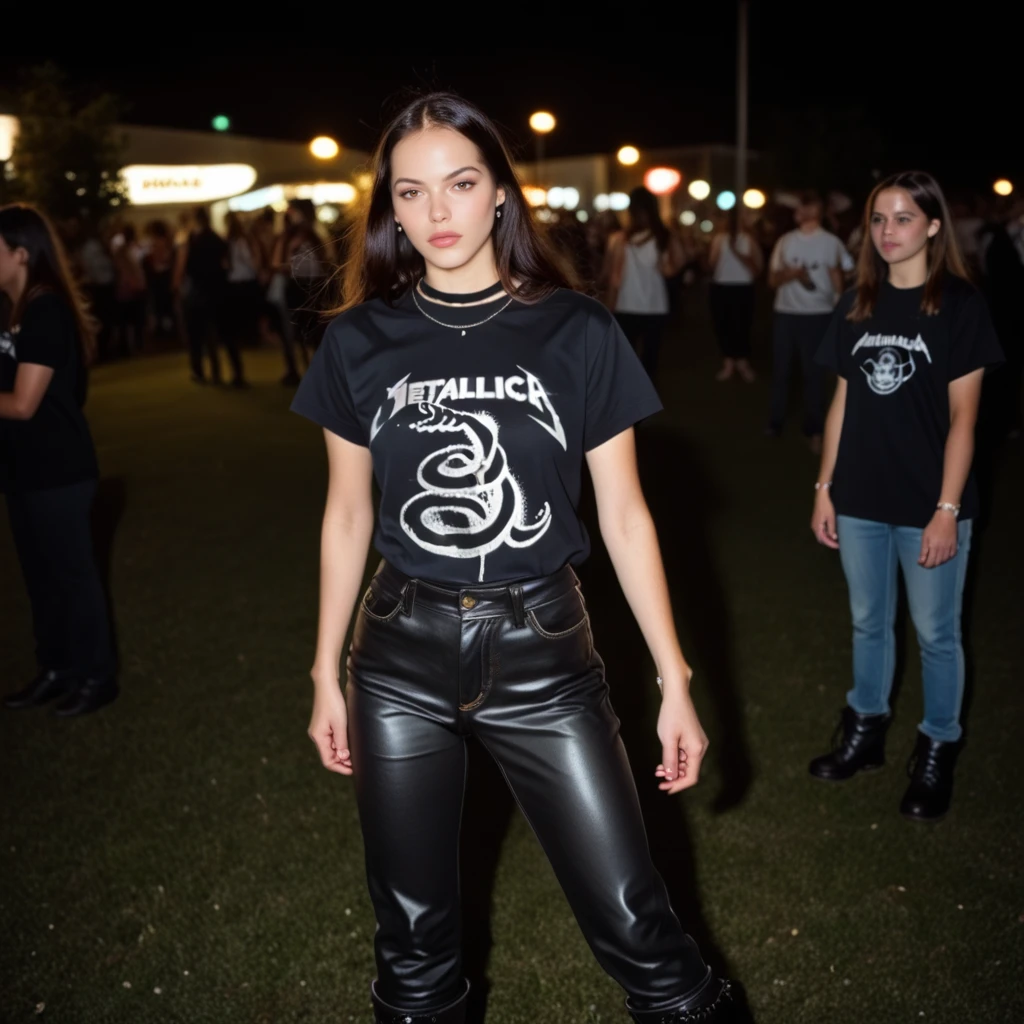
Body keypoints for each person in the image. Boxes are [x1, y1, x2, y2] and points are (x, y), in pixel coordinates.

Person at [289, 93, 739, 1023]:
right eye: (410, 192)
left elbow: (625, 516)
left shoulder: (578, 329)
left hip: (544, 651)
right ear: (390, 208)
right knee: (412, 945)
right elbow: (345, 514)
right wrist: (326, 672)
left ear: (500, 192)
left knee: (638, 925)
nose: (436, 212)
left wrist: (675, 678)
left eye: (460, 184)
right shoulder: (357, 338)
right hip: (399, 653)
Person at [808, 171, 1003, 823]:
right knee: (868, 622)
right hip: (860, 498)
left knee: (936, 634)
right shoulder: (857, 302)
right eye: (878, 219)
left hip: (929, 504)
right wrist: (825, 489)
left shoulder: (960, 306)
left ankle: (937, 749)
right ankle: (865, 733)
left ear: (933, 225)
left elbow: (965, 420)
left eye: (903, 218)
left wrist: (947, 509)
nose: (887, 232)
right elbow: (842, 402)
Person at [0, 204, 118, 716]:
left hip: (60, 471)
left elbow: (23, 403)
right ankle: (56, 669)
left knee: (72, 577)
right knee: (39, 578)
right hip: (21, 468)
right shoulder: (9, 307)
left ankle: (96, 676)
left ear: (21, 253)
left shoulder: (45, 309)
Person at [766, 190, 849, 452]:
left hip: (818, 316)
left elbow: (840, 274)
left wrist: (838, 302)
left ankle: (815, 430)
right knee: (781, 371)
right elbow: (772, 280)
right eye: (799, 207)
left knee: (814, 374)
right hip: (786, 314)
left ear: (816, 211)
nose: (799, 212)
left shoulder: (831, 242)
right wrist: (791, 275)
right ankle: (775, 423)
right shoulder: (785, 241)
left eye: (805, 207)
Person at [603, 186, 684, 380]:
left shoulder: (619, 239)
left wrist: (609, 304)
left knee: (625, 357)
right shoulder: (663, 237)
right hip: (656, 304)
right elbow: (677, 264)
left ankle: (628, 392)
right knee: (650, 356)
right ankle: (648, 392)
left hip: (626, 303)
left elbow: (613, 276)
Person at [174, 206, 247, 388]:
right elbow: (227, 264)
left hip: (199, 291)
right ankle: (236, 373)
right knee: (226, 334)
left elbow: (182, 265)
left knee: (200, 335)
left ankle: (204, 372)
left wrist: (176, 285)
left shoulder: (191, 240)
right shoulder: (216, 238)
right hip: (219, 289)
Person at [707, 207, 763, 382]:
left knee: (742, 324)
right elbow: (712, 263)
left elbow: (758, 266)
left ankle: (742, 360)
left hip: (743, 287)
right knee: (723, 324)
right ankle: (729, 361)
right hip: (722, 286)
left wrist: (737, 253)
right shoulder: (719, 239)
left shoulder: (748, 240)